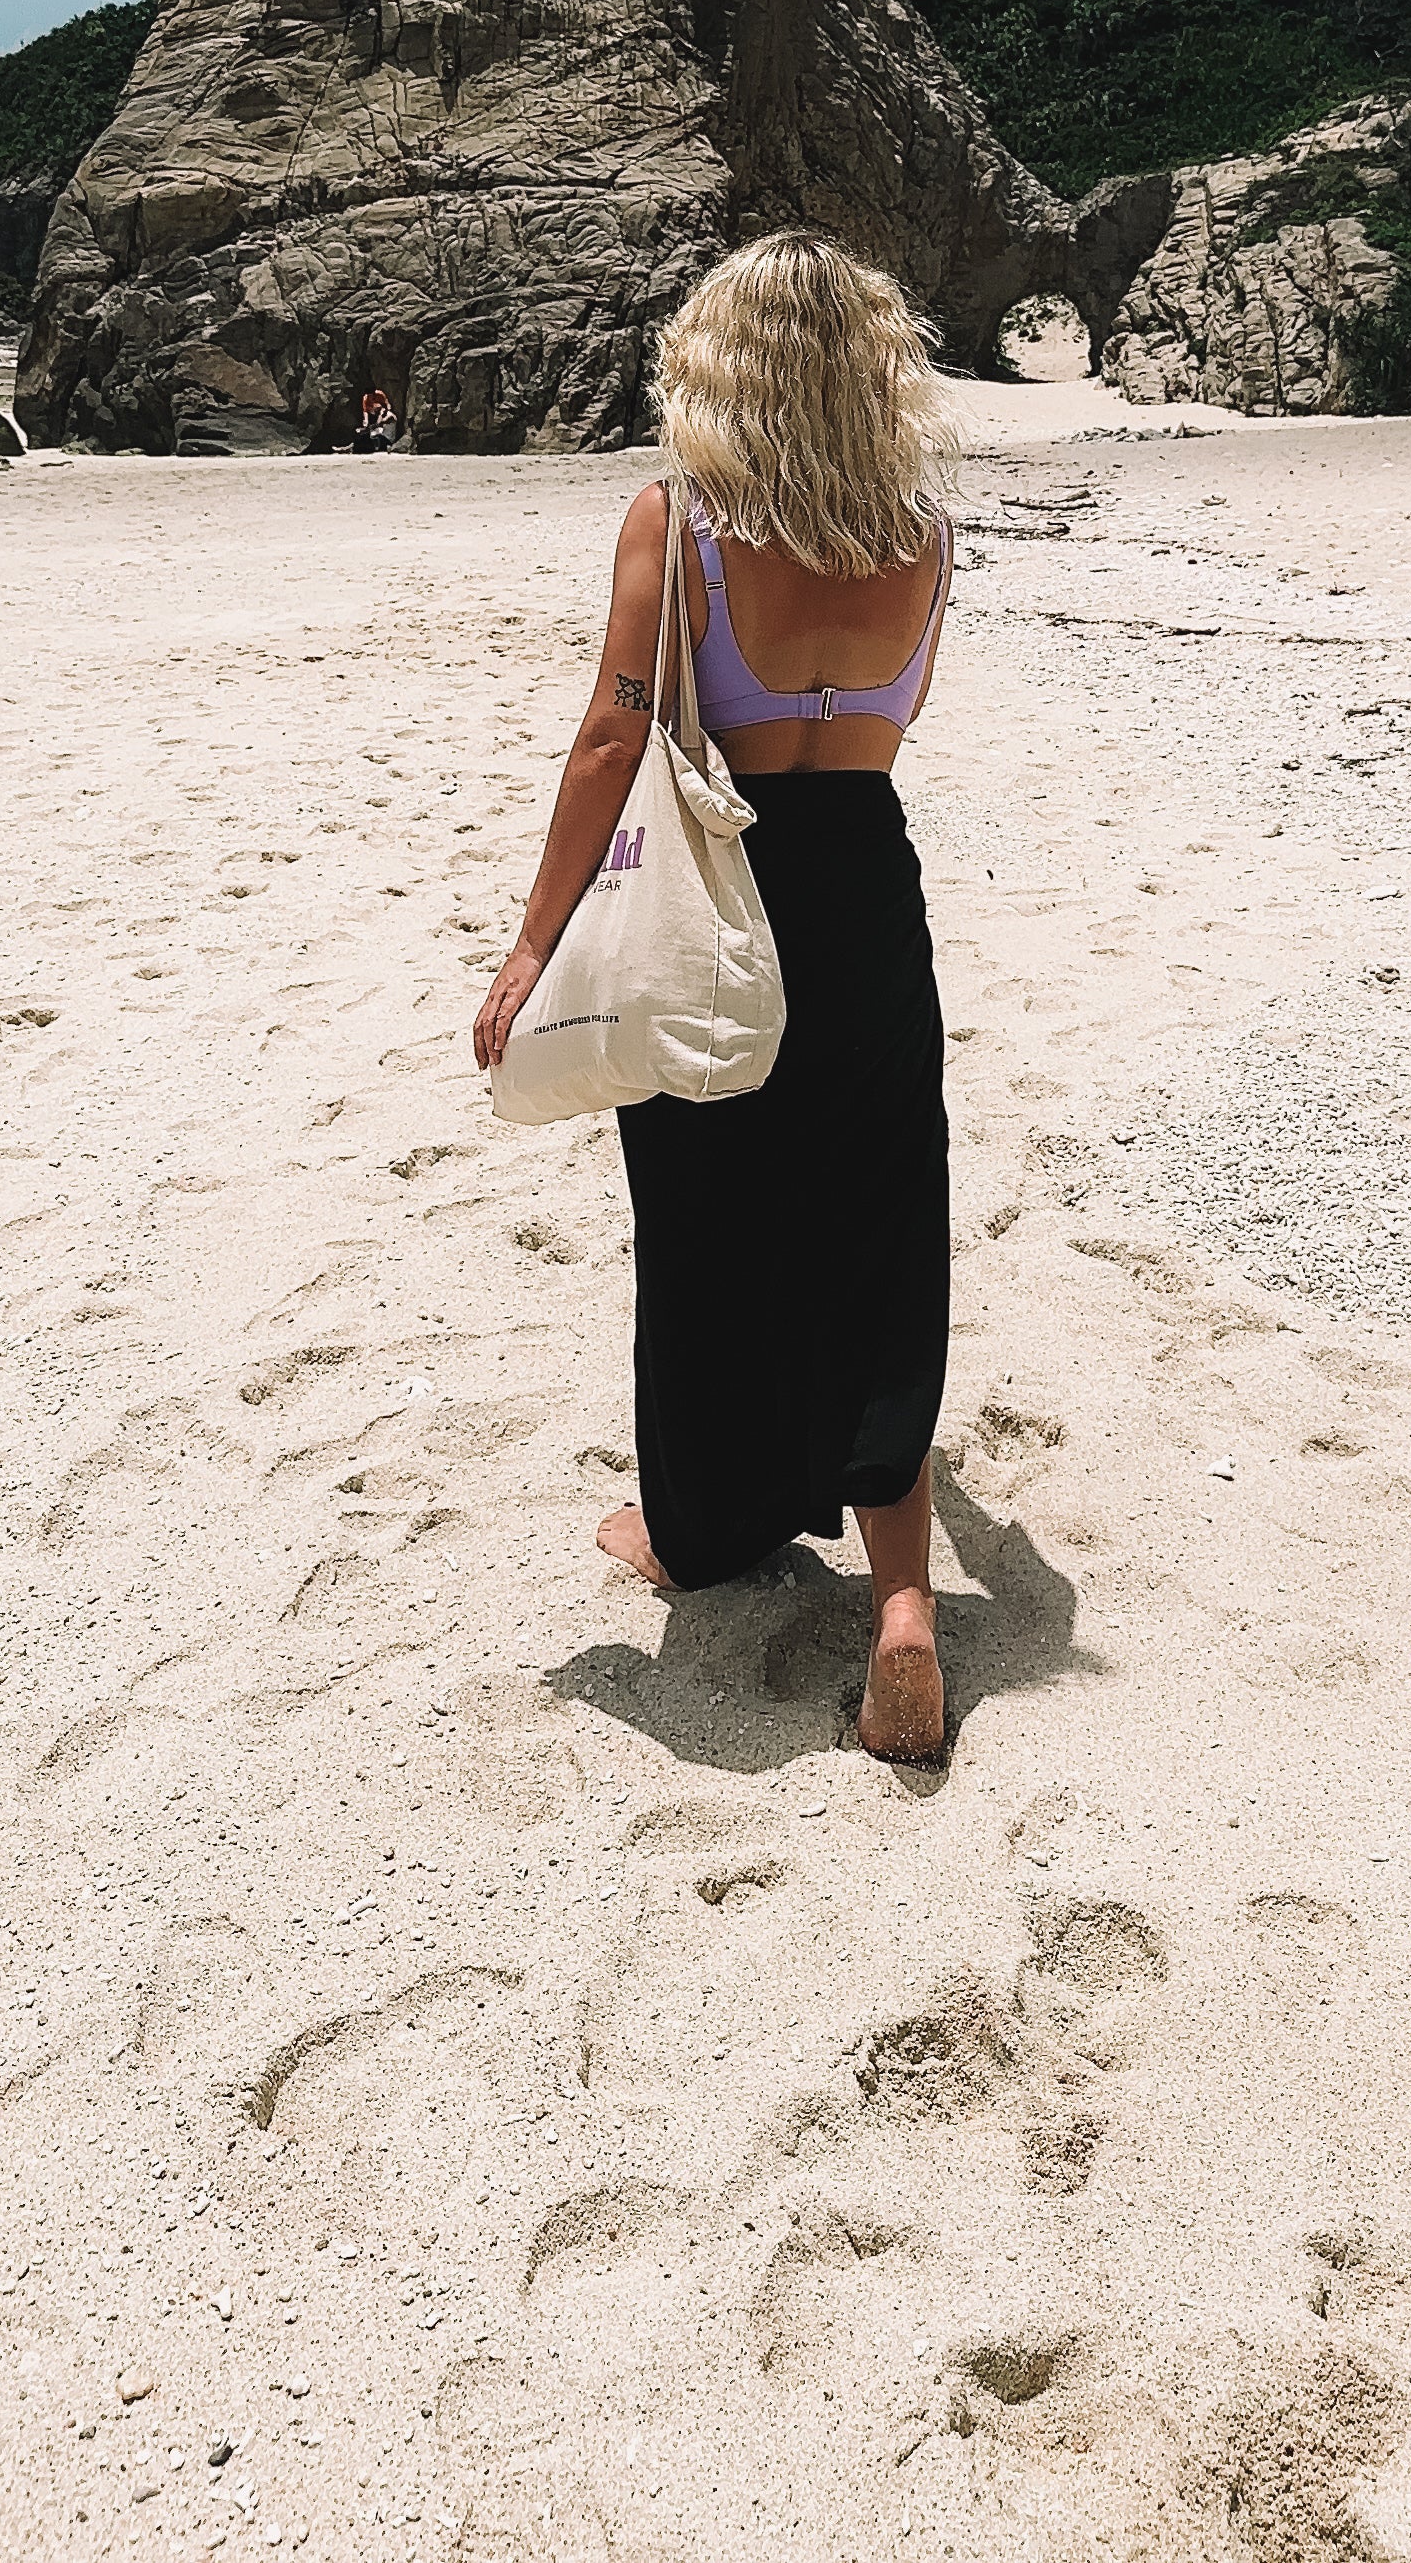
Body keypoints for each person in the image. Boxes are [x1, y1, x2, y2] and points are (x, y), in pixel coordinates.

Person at [471, 233, 957, 1760]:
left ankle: (701, 1531)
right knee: (881, 1227)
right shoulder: (926, 531)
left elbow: (614, 745)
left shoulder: (675, 520)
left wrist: (531, 945)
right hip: (861, 886)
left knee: (706, 1222)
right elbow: (891, 725)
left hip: (712, 893)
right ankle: (903, 1611)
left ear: (715, 362)